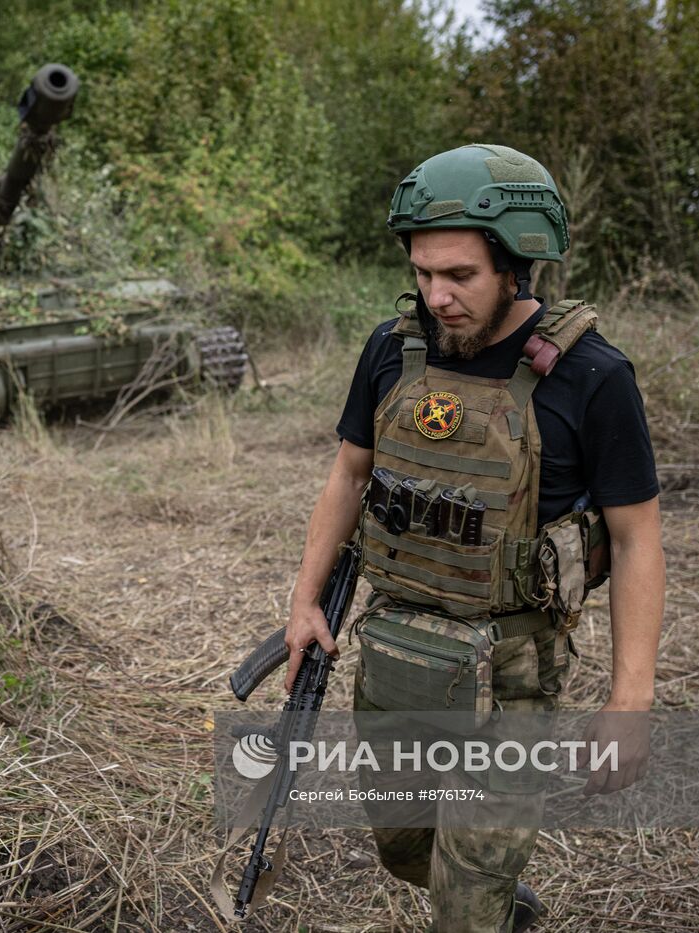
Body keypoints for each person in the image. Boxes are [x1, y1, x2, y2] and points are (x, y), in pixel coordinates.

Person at [281, 143, 666, 931]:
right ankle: (490, 903)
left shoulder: (593, 377)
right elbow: (349, 475)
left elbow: (636, 541)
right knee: (401, 848)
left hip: (513, 676)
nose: (438, 295)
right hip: (396, 658)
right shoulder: (393, 350)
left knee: (466, 902)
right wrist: (304, 602)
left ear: (518, 265)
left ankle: (483, 907)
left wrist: (631, 699)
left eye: (460, 276)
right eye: (425, 274)